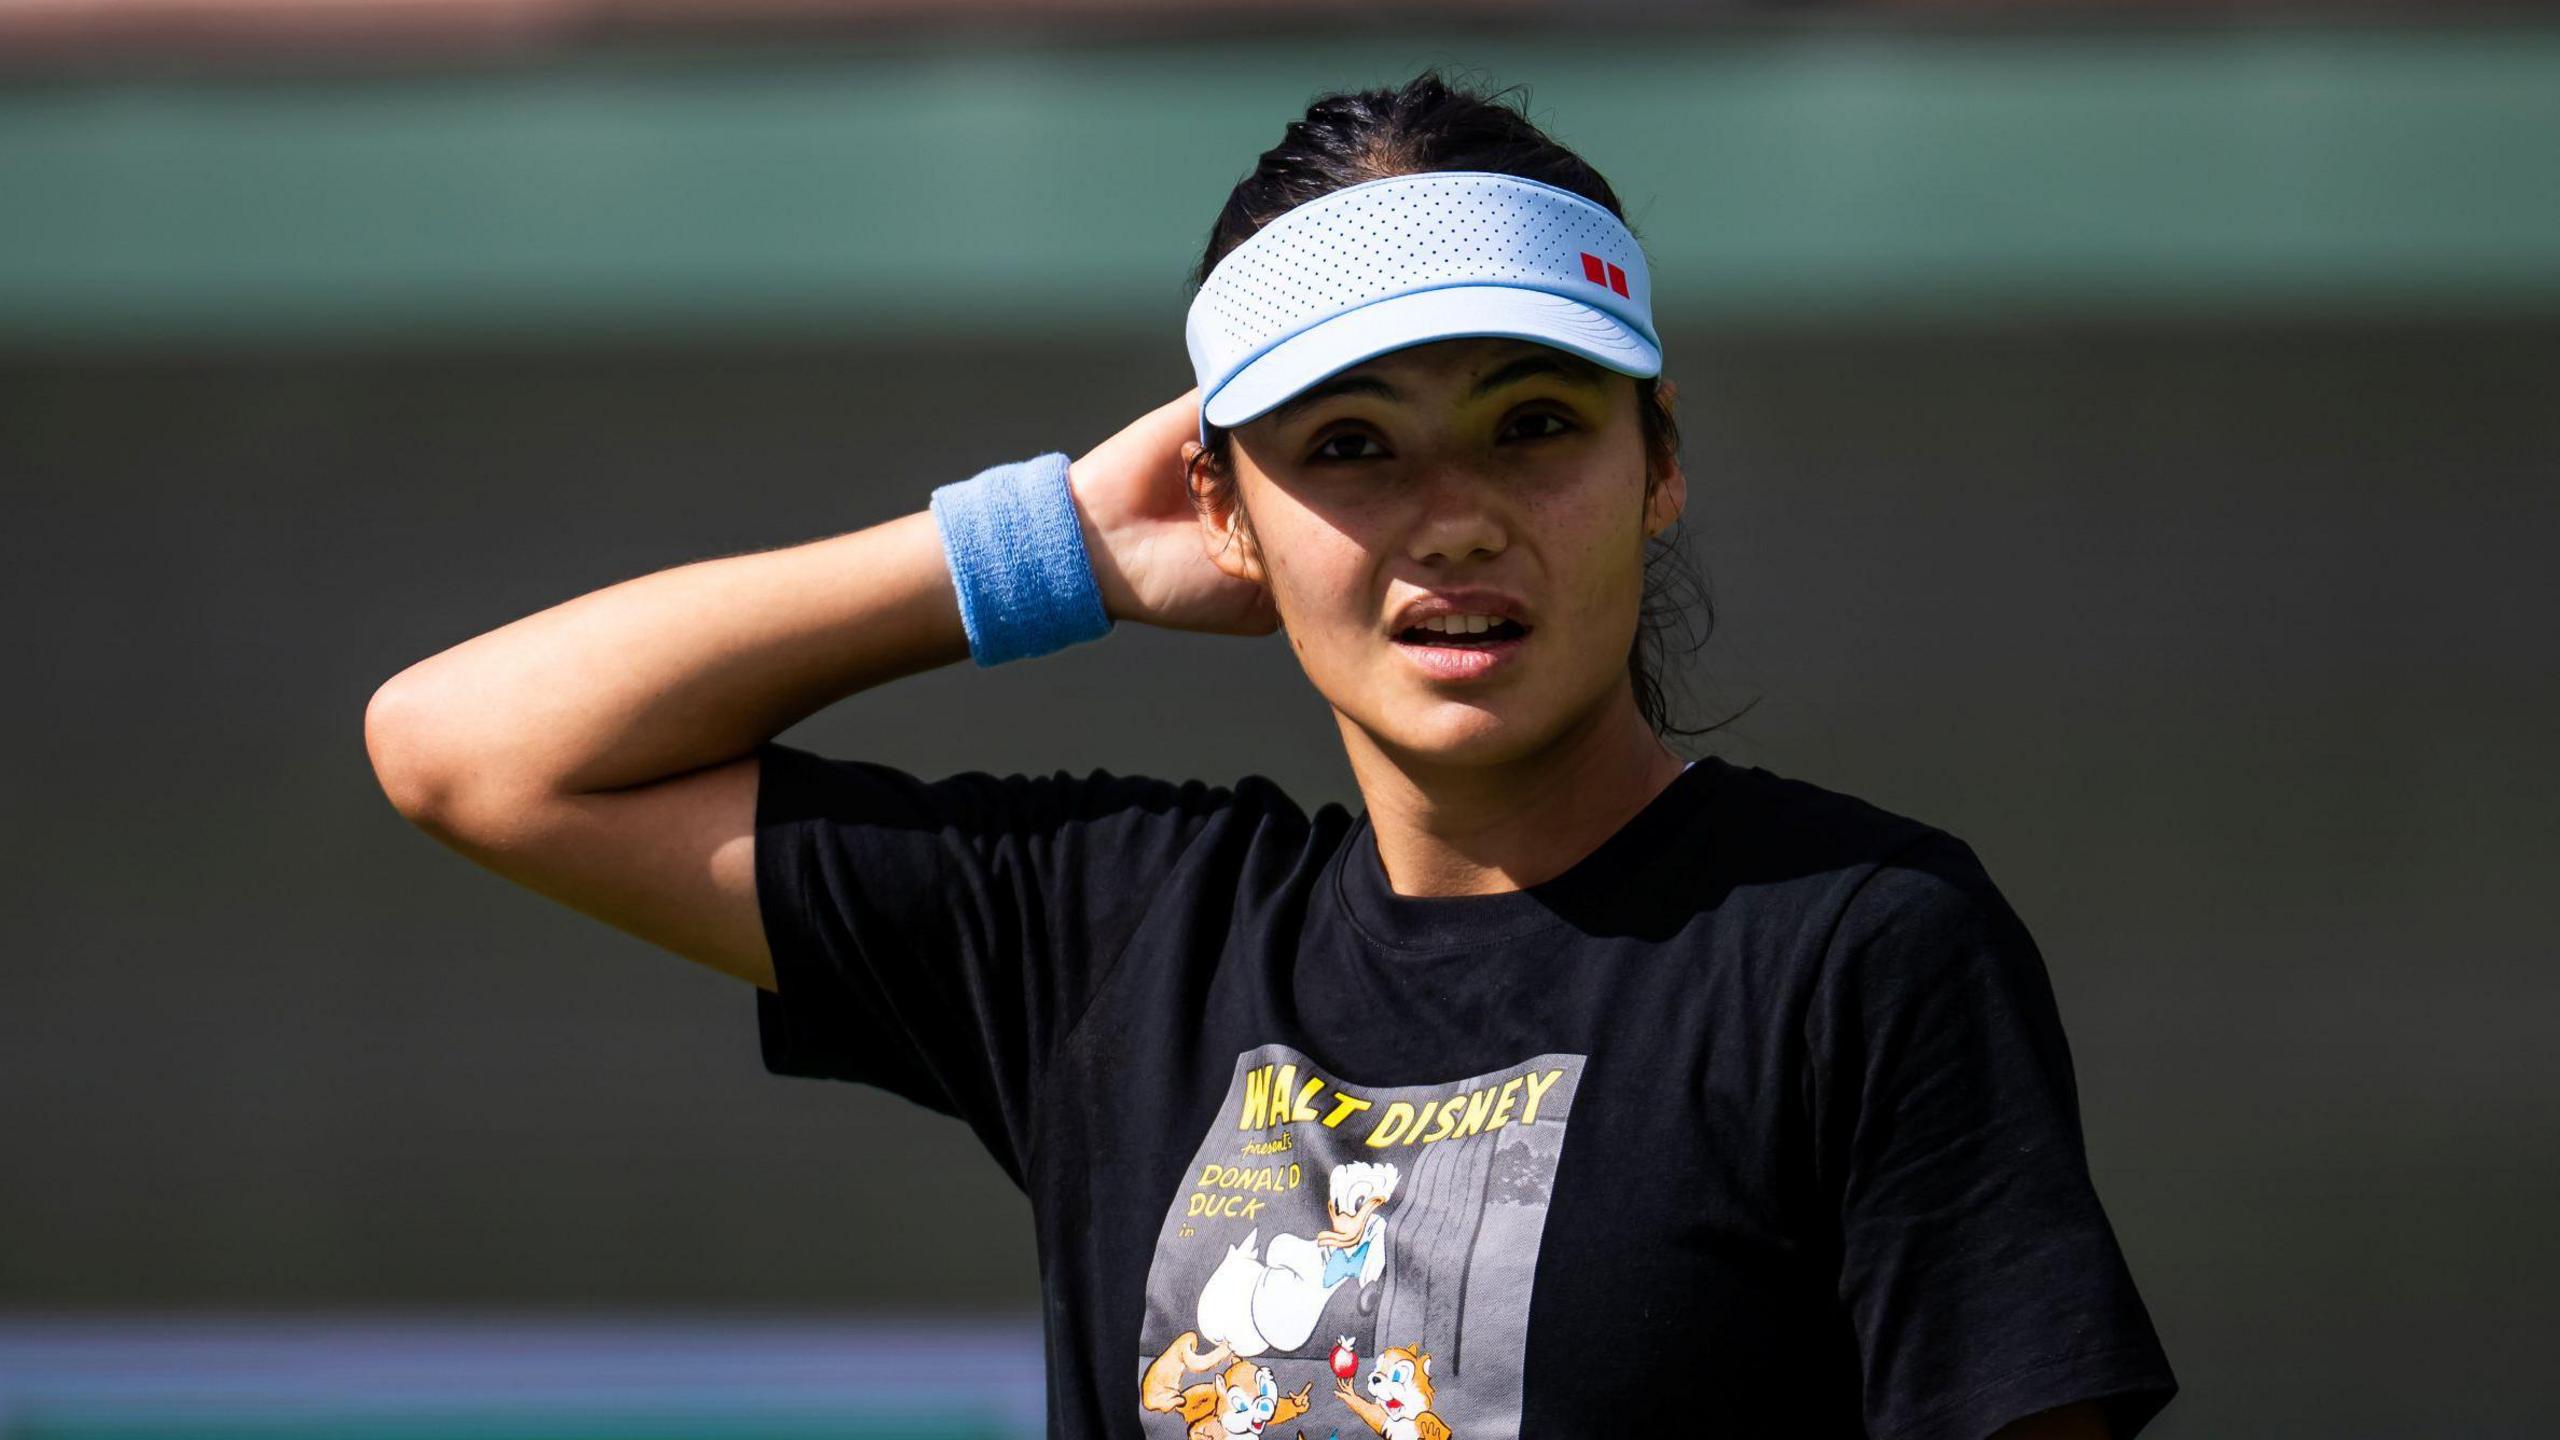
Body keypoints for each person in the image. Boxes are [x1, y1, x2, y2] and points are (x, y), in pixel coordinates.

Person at [366, 70, 2177, 1440]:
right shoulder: (1117, 938)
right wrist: (1052, 543)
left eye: (1533, 426)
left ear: (1661, 463)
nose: (1454, 520)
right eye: (1353, 447)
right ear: (1219, 506)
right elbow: (474, 751)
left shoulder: (1856, 943)